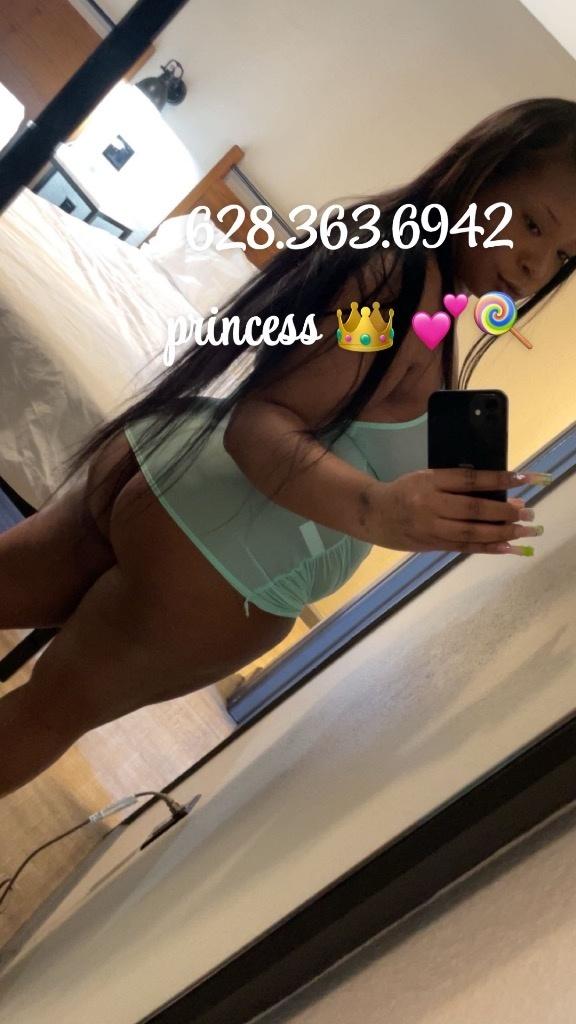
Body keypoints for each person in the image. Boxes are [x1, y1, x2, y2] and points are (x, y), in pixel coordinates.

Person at [1, 97, 575, 799]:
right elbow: (262, 422)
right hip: (216, 560)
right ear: (481, 175)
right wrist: (379, 510)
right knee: (45, 715)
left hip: (166, 465)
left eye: (563, 255)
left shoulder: (406, 272)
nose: (535, 265)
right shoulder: (400, 285)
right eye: (533, 224)